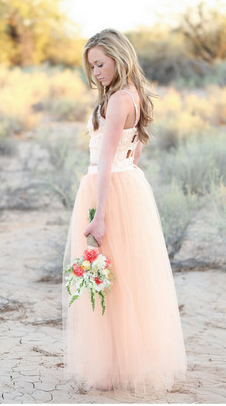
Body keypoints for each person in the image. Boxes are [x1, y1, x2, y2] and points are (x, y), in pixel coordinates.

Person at [62, 29, 186, 394]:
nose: (96, 72)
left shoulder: (118, 101)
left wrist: (99, 214)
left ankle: (109, 368)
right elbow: (135, 152)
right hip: (127, 184)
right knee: (124, 273)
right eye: (92, 67)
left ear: (119, 57)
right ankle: (122, 361)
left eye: (100, 64)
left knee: (108, 274)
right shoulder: (133, 95)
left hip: (108, 189)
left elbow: (104, 160)